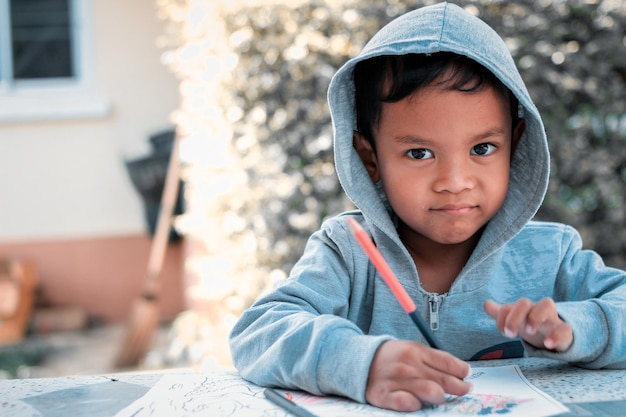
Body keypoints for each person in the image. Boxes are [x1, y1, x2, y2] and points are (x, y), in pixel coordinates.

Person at [229, 2, 626, 412]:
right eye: (419, 153)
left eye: (483, 148)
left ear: (516, 144)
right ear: (370, 159)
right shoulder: (348, 252)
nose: (454, 182)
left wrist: (575, 327)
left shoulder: (552, 256)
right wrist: (360, 362)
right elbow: (259, 332)